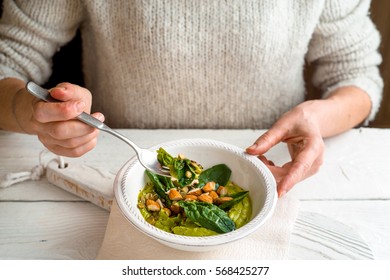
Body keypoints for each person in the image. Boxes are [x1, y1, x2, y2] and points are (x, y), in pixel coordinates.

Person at [0, 0, 383, 197]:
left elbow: (357, 75)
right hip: (119, 172)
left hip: (273, 174)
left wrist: (318, 116)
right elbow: (9, 61)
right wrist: (30, 112)